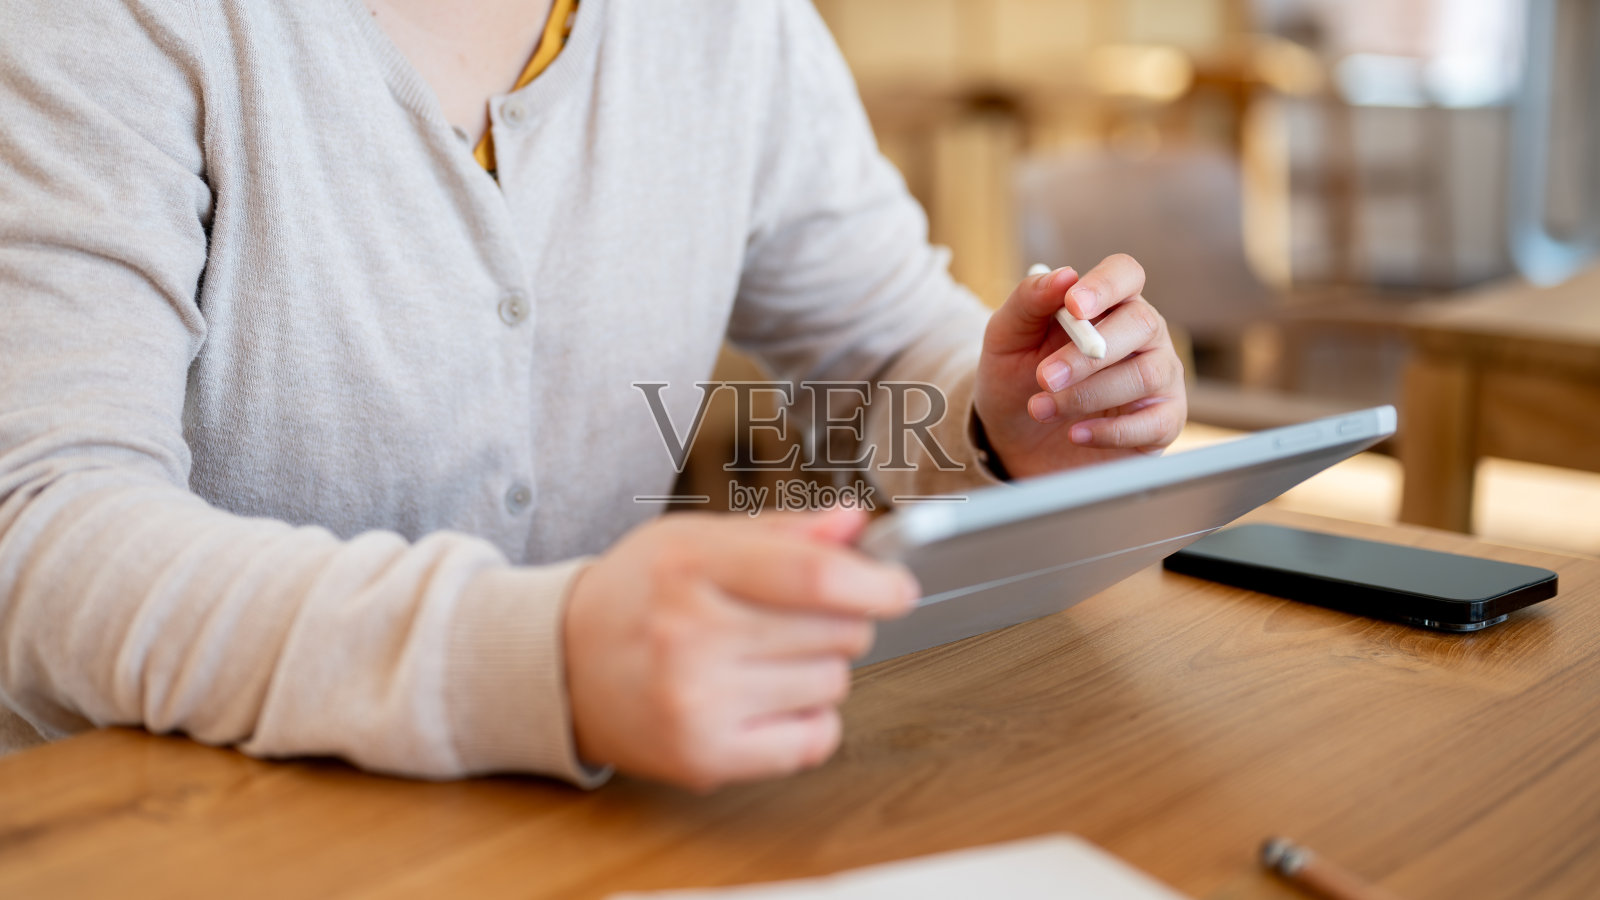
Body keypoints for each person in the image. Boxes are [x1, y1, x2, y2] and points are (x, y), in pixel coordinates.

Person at [0, 0, 1186, 791]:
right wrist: (536, 661)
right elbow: (41, 527)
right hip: (162, 824)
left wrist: (1003, 417)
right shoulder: (107, 25)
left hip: (576, 820)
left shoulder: (733, 28)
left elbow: (885, 350)